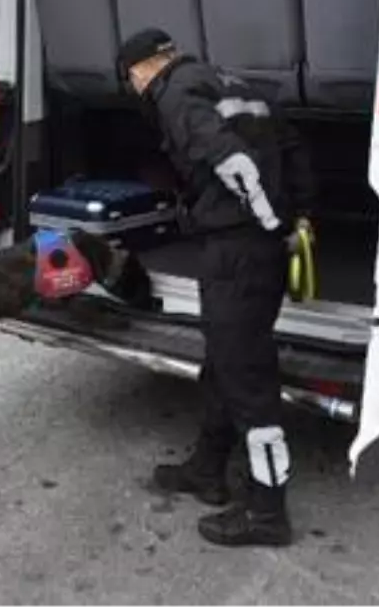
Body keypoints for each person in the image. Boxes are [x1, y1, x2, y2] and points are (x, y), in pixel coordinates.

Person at [116, 27, 316, 548]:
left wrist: (270, 223)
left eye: (131, 82)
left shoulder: (176, 93)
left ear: (140, 72)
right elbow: (292, 149)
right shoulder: (235, 83)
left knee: (247, 379)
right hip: (255, 251)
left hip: (238, 250)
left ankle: (268, 513)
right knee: (225, 361)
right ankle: (206, 468)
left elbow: (232, 162)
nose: (136, 92)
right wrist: (297, 217)